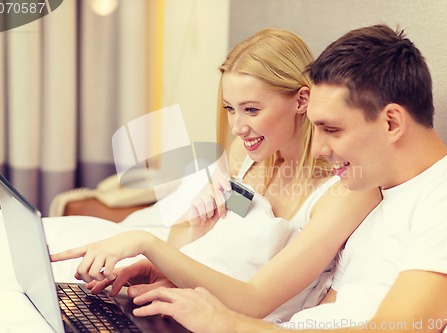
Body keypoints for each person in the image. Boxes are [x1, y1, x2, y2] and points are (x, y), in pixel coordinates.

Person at [116, 24, 447, 333]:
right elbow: (317, 308)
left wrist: (226, 322)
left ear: (391, 122)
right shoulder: (378, 195)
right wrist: (177, 277)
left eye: (331, 129)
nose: (319, 148)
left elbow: (397, 329)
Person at [51, 28, 380, 322]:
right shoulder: (246, 157)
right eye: (230, 108)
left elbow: (255, 301)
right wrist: (167, 264)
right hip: (183, 306)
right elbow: (188, 241)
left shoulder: (346, 191)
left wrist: (146, 243)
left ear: (301, 100)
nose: (237, 127)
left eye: (251, 109)